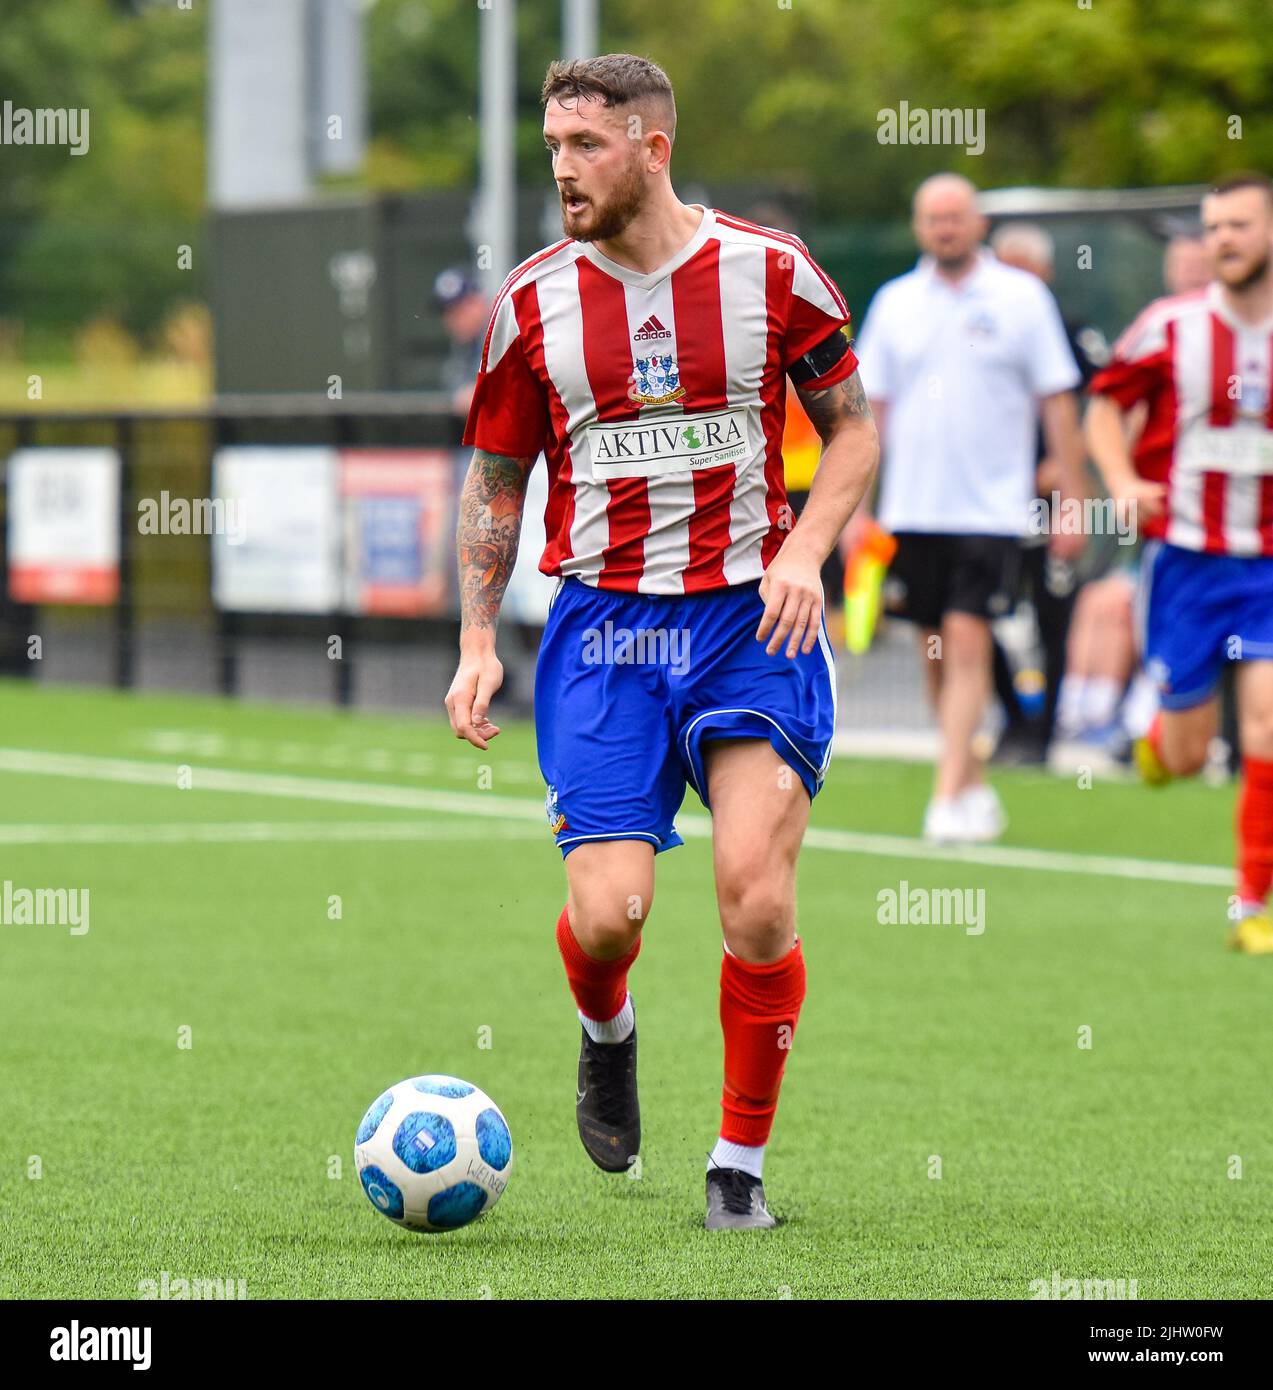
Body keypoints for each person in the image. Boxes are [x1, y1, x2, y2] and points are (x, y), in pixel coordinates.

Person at [444, 54, 878, 1227]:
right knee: (606, 914)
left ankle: (736, 1166)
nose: (562, 170)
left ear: (653, 147)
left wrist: (801, 554)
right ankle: (606, 1028)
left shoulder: (771, 273)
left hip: (751, 618)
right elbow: (494, 480)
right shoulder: (532, 300)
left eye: (585, 146)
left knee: (754, 895)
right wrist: (479, 638)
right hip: (602, 629)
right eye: (551, 147)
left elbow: (851, 437)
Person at [852, 175, 1085, 843]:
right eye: (932, 218)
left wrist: (1071, 503)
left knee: (965, 636)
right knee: (932, 645)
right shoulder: (895, 303)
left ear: (977, 222)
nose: (944, 228)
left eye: (955, 216)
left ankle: (945, 792)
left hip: (990, 510)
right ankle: (971, 777)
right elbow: (872, 412)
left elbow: (1058, 403)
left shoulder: (1020, 298)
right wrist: (857, 514)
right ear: (918, 226)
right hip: (911, 510)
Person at [1085, 172, 1273, 953]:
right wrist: (1122, 480)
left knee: (1265, 726)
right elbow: (1103, 404)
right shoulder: (1169, 325)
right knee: (1189, 754)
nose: (1222, 239)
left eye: (1238, 224)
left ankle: (1250, 904)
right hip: (1188, 565)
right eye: (1213, 226)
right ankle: (1157, 744)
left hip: (1265, 566)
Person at [987, 221, 1107, 764]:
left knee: (1053, 609)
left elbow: (1100, 408)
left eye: (1022, 266)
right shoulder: (979, 329)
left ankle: (1044, 732)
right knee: (975, 611)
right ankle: (1013, 717)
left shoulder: (1068, 331)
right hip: (987, 499)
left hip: (1048, 498)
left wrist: (1064, 466)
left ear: (1045, 272)